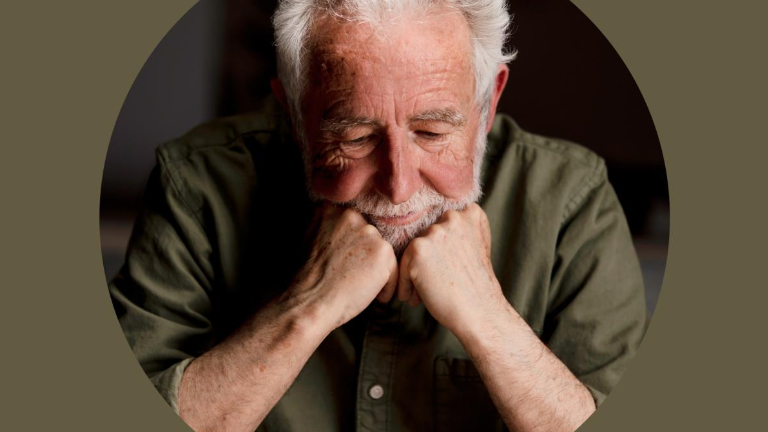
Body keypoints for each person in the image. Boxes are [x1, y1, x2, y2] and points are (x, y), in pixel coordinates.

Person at [109, 0, 647, 431]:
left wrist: (487, 318)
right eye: (357, 137)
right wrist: (307, 307)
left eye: (432, 133)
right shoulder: (197, 185)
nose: (399, 186)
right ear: (293, 113)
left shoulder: (571, 201)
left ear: (487, 105)